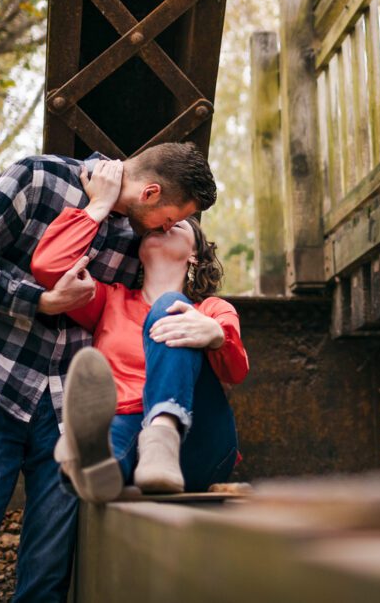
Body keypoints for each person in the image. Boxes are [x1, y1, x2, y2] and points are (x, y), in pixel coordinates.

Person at [0, 143, 217, 603]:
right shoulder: (37, 177)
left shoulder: (141, 238)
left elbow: (153, 303)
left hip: (73, 418)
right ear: (151, 192)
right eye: (168, 217)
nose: (167, 228)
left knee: (46, 582)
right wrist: (38, 301)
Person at [29, 158, 248, 501]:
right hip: (128, 427)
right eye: (160, 224)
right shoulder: (109, 301)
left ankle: (163, 429)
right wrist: (97, 207)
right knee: (106, 449)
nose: (164, 226)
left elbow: (236, 371)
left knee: (171, 307)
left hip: (198, 440)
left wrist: (217, 336)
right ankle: (97, 470)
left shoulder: (212, 310)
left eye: (177, 225)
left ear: (194, 255)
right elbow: (50, 268)